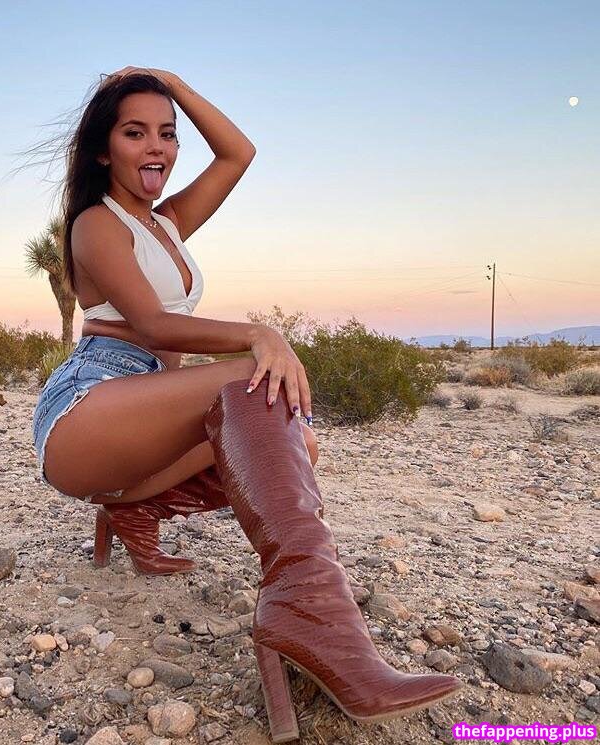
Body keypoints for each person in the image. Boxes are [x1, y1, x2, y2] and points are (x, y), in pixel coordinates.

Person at [31, 67, 461, 740]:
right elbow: (154, 326)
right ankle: (309, 611)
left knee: (295, 442)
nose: (156, 147)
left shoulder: (167, 223)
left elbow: (238, 153)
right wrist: (261, 334)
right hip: (89, 404)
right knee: (255, 383)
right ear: (102, 150)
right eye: (135, 132)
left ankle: (137, 509)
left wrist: (171, 83)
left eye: (168, 133)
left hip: (143, 416)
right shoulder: (95, 224)